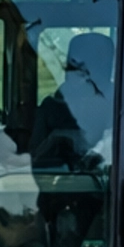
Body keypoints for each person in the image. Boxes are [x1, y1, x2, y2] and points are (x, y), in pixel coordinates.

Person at [30, 30, 114, 170]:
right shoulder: (50, 109)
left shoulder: (121, 107)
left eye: (93, 70)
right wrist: (54, 141)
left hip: (108, 184)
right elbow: (32, 162)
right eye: (74, 69)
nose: (86, 79)